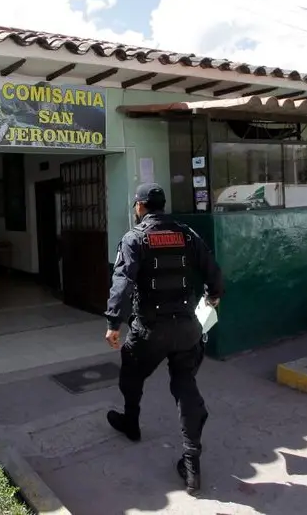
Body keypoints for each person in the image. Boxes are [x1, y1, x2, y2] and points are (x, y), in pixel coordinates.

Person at [103, 183, 223, 495]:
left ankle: (131, 422)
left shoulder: (135, 238)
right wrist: (213, 296)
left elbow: (123, 281)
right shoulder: (186, 234)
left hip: (150, 330)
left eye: (135, 207)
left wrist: (114, 323)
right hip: (186, 329)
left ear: (140, 207)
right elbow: (212, 270)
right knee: (185, 386)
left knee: (131, 372)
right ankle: (191, 462)